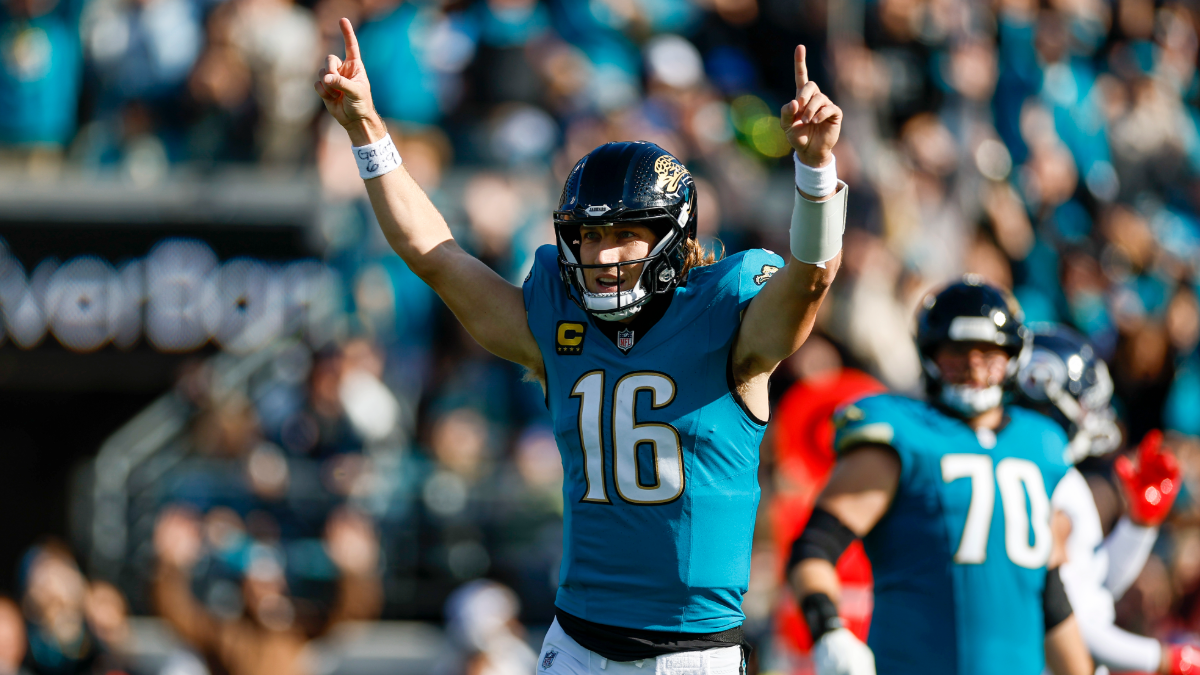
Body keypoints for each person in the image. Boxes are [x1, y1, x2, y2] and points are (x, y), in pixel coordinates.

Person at [314, 19, 848, 674]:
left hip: (692, 652)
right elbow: (436, 258)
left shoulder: (727, 316)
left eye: (624, 234)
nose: (602, 255)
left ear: (670, 239)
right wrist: (367, 130)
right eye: (590, 237)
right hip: (577, 643)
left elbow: (811, 277)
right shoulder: (560, 320)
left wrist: (816, 166)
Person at [787, 278, 1094, 675]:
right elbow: (814, 548)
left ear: (1013, 357)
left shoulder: (1040, 443)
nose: (973, 366)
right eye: (957, 353)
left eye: (989, 353)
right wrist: (828, 629)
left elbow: (1049, 594)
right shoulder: (902, 434)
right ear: (930, 355)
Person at [1015, 324, 1199, 674]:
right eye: (1085, 401)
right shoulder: (1042, 486)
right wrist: (1164, 659)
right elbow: (1062, 619)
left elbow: (1091, 588)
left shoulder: (1062, 479)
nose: (1094, 414)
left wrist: (1138, 527)